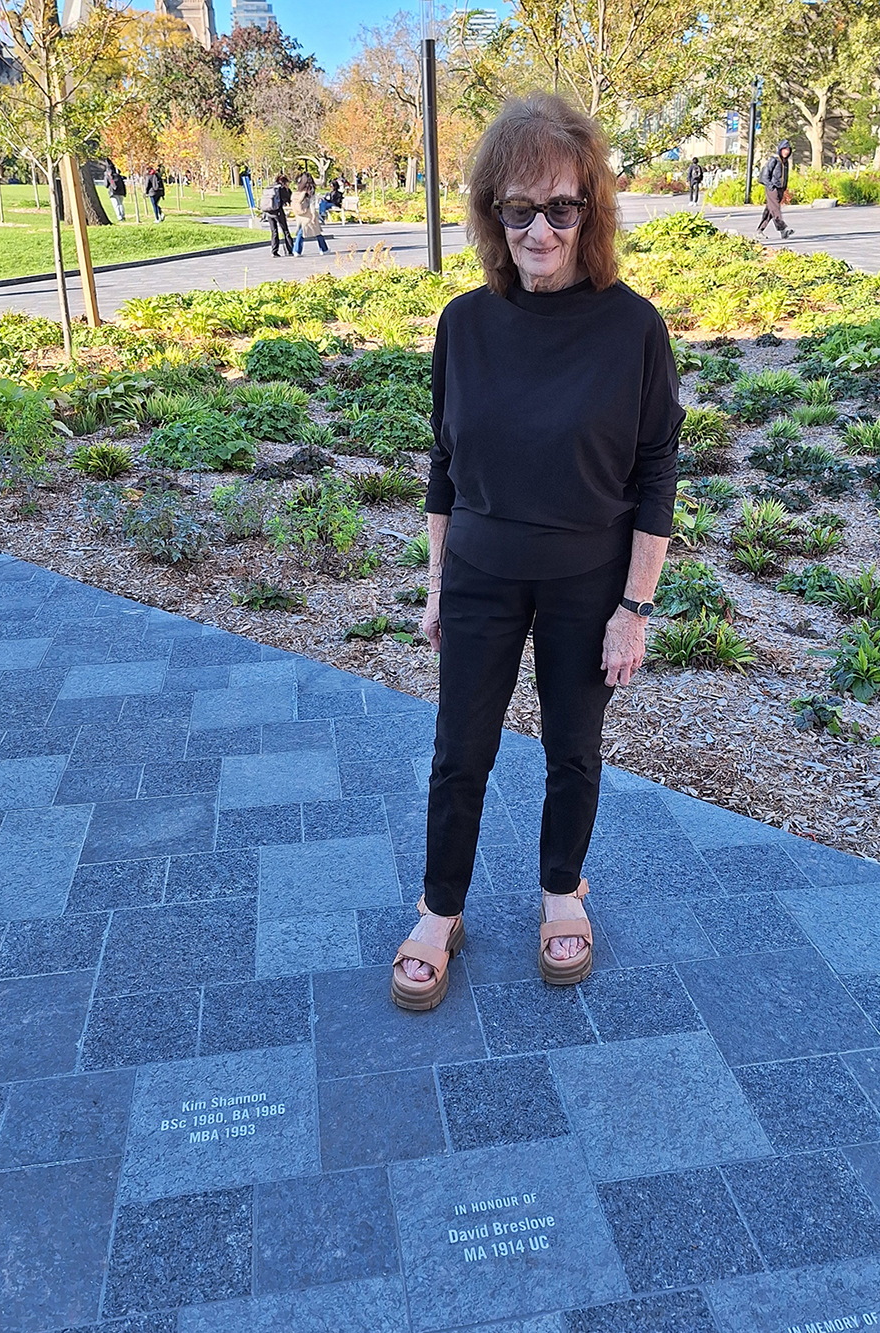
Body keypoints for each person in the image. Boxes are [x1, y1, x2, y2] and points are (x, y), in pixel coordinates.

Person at [389, 92, 683, 1011]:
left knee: (574, 752)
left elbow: (655, 472)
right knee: (457, 752)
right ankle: (442, 908)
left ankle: (563, 890)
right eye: (520, 208)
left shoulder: (633, 327)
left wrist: (633, 608)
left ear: (589, 214)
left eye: (561, 207)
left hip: (586, 582)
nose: (541, 229)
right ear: (493, 215)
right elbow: (444, 463)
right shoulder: (463, 325)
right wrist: (436, 582)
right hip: (478, 571)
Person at [756, 139, 794, 240]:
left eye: (788, 150)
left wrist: (784, 188)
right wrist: (770, 186)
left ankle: (760, 230)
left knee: (770, 210)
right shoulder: (774, 160)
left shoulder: (785, 162)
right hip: (772, 188)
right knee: (775, 208)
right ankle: (783, 229)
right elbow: (765, 174)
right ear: (780, 149)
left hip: (780, 188)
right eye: (784, 149)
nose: (786, 152)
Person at [290, 173, 330, 255]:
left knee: (302, 232)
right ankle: (323, 249)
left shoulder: (298, 190)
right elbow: (312, 204)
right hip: (308, 214)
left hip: (300, 214)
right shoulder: (310, 191)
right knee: (317, 232)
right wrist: (314, 215)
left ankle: (297, 250)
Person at [260, 173, 294, 256]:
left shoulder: (271, 187)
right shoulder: (281, 189)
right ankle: (291, 249)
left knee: (274, 231)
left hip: (268, 211)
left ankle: (274, 251)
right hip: (278, 211)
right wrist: (287, 190)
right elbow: (288, 199)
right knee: (285, 230)